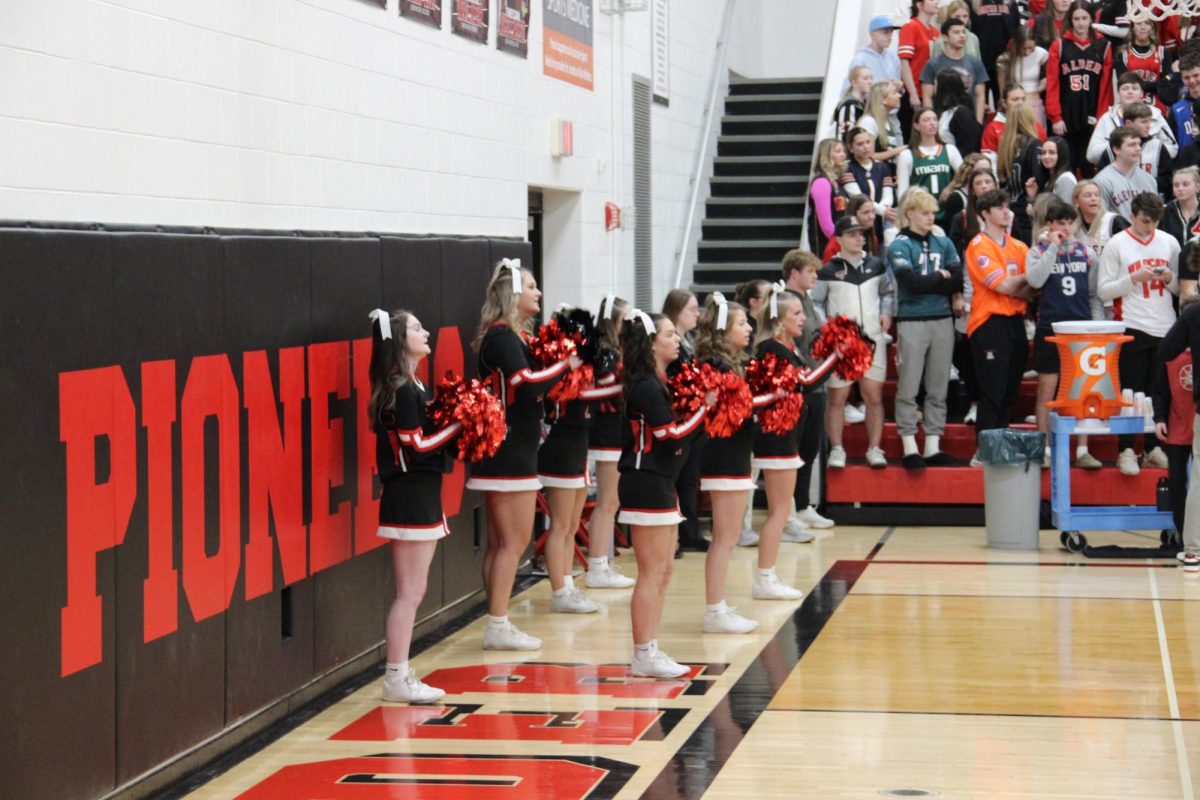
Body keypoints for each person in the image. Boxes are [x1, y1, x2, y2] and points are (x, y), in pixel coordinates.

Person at [468, 261, 580, 650]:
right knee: (512, 543)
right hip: (509, 452)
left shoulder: (509, 337)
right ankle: (497, 625)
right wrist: (566, 365)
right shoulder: (501, 338)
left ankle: (497, 621)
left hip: (510, 448)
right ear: (513, 295)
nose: (539, 293)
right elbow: (525, 385)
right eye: (531, 287)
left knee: (503, 544)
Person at [368, 309, 461, 704]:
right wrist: (460, 424)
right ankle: (396, 677)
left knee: (414, 591)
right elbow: (416, 445)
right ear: (399, 340)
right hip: (409, 497)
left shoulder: (414, 386)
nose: (426, 333)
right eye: (417, 328)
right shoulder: (402, 389)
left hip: (421, 495)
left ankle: (400, 672)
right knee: (409, 592)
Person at [618, 311, 712, 676]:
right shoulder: (645, 384)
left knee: (664, 569)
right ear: (652, 341)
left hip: (659, 481)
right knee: (652, 571)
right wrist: (704, 409)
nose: (677, 340)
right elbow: (667, 435)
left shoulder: (656, 380)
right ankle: (643, 653)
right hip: (645, 481)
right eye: (670, 334)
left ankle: (651, 648)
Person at [695, 294, 781, 632]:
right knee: (725, 537)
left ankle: (718, 605)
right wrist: (775, 395)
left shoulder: (729, 361)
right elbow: (737, 407)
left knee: (727, 536)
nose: (749, 328)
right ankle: (714, 611)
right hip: (723, 456)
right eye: (742, 323)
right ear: (722, 329)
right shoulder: (714, 365)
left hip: (734, 456)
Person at [751, 284, 840, 592]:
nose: (803, 319)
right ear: (779, 318)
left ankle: (768, 575)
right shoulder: (772, 349)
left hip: (786, 435)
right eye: (797, 313)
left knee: (781, 511)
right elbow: (807, 382)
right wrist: (836, 357)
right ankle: (764, 579)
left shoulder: (786, 347)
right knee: (778, 512)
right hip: (775, 436)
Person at [537, 306, 625, 614]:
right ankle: (560, 590)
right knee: (561, 525)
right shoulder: (559, 367)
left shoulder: (581, 366)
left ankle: (568, 587)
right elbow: (575, 397)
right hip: (561, 446)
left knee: (572, 524)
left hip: (578, 443)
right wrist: (622, 385)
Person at [1098, 191, 1180, 475]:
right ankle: (1126, 449)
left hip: (1165, 325)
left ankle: (1153, 447)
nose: (1149, 228)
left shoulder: (1169, 242)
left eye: (1154, 222)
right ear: (1132, 216)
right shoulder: (1116, 244)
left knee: (1157, 392)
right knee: (1131, 393)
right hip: (1130, 324)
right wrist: (1133, 278)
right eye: (1144, 221)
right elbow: (1103, 290)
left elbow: (1182, 289)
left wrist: (1170, 279)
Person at [1024, 197, 1105, 468]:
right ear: (1049, 224)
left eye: (1070, 222)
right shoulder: (1037, 251)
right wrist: (1052, 247)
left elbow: (1094, 295)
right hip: (1050, 328)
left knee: (1082, 390)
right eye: (1060, 223)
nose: (1066, 228)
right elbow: (1035, 280)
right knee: (1046, 389)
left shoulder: (1087, 253)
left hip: (1081, 329)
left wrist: (1096, 329)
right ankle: (1044, 448)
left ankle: (1082, 449)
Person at [888, 188, 965, 470]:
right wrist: (939, 276)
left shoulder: (943, 242)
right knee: (908, 385)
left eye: (933, 212)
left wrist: (938, 280)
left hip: (942, 319)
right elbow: (910, 283)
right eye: (925, 212)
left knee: (938, 385)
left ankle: (933, 445)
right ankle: (909, 446)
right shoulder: (899, 244)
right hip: (911, 320)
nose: (932, 217)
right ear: (910, 214)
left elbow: (957, 279)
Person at [814, 217, 896, 469]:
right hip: (842, 345)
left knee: (873, 395)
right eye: (852, 234)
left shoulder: (876, 265)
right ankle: (837, 449)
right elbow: (816, 302)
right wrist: (828, 329)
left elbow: (887, 293)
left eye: (861, 233)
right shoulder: (827, 270)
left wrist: (886, 312)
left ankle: (874, 448)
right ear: (838, 238)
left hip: (873, 340)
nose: (859, 238)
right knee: (838, 396)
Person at [965, 189, 1031, 450]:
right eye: (999, 208)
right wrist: (1022, 284)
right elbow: (1002, 285)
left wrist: (1020, 285)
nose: (1006, 212)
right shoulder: (979, 246)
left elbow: (1033, 287)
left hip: (1015, 321)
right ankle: (984, 450)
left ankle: (1001, 447)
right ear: (985, 213)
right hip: (988, 322)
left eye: (1007, 207)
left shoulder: (1019, 246)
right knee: (993, 390)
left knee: (1009, 391)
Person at [782, 250, 838, 534]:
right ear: (794, 272)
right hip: (801, 383)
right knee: (796, 449)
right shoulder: (786, 302)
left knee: (810, 448)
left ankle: (802, 505)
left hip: (818, 382)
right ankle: (789, 507)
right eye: (810, 271)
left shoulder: (809, 301)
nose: (816, 276)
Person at [585, 294, 637, 589]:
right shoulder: (605, 352)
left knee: (610, 501)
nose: (630, 323)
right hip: (606, 431)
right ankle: (597, 566)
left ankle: (601, 563)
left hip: (614, 429)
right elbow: (604, 387)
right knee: (607, 501)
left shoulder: (616, 351)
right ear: (613, 322)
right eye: (625, 318)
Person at [662, 288, 709, 555]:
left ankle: (691, 531)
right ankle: (677, 534)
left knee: (690, 478)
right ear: (677, 310)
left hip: (694, 417)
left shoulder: (689, 340)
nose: (697, 313)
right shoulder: (672, 343)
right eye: (692, 309)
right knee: (678, 478)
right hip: (679, 419)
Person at [1045, 1, 1115, 175]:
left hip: (1090, 114)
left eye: (1084, 18)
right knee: (1065, 168)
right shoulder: (1060, 45)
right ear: (1070, 19)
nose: (1081, 23)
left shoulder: (1103, 46)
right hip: (1066, 115)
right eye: (1076, 18)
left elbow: (1106, 87)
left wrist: (1101, 117)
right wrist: (1055, 117)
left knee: (1089, 168)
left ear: (1091, 19)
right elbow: (1052, 83)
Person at [1152, 293, 1200, 543]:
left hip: (1196, 420)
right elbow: (1159, 389)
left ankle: (1193, 541)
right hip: (1179, 425)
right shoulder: (1171, 357)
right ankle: (1182, 532)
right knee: (1179, 483)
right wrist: (1159, 417)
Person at [1088, 71, 1178, 167]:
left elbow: (1173, 148)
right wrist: (1119, 148)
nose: (1130, 91)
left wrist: (1147, 152)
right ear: (1118, 92)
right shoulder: (1107, 118)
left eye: (1135, 88)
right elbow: (1091, 155)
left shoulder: (1155, 115)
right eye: (1125, 88)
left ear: (1141, 93)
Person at [921, 17, 990, 122]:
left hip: (968, 119)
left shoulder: (975, 63)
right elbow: (927, 97)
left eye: (963, 32)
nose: (962, 35)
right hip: (941, 119)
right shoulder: (933, 64)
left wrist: (978, 123)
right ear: (945, 37)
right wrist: (932, 121)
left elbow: (980, 95)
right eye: (956, 32)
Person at [997, 102, 1044, 243]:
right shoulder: (1034, 144)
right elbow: (1039, 178)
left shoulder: (1005, 146)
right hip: (1026, 209)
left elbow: (1002, 180)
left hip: (1009, 207)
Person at [896, 107, 965, 202]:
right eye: (926, 120)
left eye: (935, 119)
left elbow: (964, 177)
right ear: (916, 126)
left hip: (946, 208)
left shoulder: (950, 149)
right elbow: (902, 192)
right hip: (920, 210)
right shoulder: (906, 155)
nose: (932, 123)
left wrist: (950, 188)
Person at [1095, 125, 1159, 220]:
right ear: (1116, 150)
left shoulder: (1149, 179)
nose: (1138, 148)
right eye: (1132, 145)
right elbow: (1099, 220)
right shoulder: (1101, 181)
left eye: (1139, 144)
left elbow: (1155, 215)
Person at [844, 126, 897, 240]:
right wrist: (882, 211)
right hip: (858, 223)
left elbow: (888, 195)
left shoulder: (883, 167)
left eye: (868, 142)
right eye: (860, 144)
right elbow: (857, 197)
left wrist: (883, 210)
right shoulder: (847, 168)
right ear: (850, 148)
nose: (866, 147)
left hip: (880, 221)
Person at [899, 0, 943, 134]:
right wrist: (912, 93)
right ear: (919, 5)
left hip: (930, 93)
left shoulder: (935, 32)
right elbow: (905, 62)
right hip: (915, 91)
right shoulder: (911, 27)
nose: (937, 2)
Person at [1115, 18, 1173, 114]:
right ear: (1133, 27)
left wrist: (1138, 85)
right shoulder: (1123, 54)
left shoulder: (1163, 52)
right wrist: (1153, 86)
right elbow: (1123, 84)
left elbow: (1166, 87)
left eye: (1147, 23)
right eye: (1138, 23)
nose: (1143, 27)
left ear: (1153, 27)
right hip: (1130, 108)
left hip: (1157, 108)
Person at [806, 138, 852, 257]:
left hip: (838, 242)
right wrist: (841, 243)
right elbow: (826, 223)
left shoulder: (836, 182)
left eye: (843, 151)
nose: (843, 155)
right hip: (826, 245)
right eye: (838, 151)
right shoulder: (821, 182)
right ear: (826, 155)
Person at [981, 84, 1048, 167]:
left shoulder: (1035, 126)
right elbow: (989, 162)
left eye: (1023, 99)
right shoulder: (993, 128)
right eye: (1015, 99)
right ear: (1004, 103)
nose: (1020, 103)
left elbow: (1045, 154)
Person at [997, 25, 1050, 125]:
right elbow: (1002, 90)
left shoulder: (1041, 54)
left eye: (1031, 48)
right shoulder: (1005, 60)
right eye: (1023, 48)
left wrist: (1040, 87)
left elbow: (1052, 75)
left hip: (1035, 104)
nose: (1027, 52)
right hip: (1014, 108)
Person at [844, 14, 903, 92]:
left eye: (891, 33)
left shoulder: (893, 58)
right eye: (885, 32)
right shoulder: (860, 60)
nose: (889, 37)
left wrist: (899, 87)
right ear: (872, 34)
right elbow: (850, 89)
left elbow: (897, 88)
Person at [932, 69, 985, 155]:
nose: (933, 86)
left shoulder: (961, 114)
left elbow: (969, 147)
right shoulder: (940, 111)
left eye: (935, 83)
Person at [858, 81, 908, 162]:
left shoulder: (889, 122)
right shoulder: (869, 122)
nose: (899, 96)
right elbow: (868, 156)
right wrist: (898, 151)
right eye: (894, 93)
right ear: (884, 100)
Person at [1160, 165, 1200, 249]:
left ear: (1197, 187)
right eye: (1176, 185)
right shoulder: (1164, 212)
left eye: (1185, 184)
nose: (1180, 188)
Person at [835, 66, 875, 139]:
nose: (870, 82)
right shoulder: (849, 105)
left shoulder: (866, 104)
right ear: (854, 82)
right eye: (865, 78)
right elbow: (844, 135)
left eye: (871, 78)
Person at [1170, 52, 1200, 148]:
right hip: (1187, 160)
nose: (1191, 81)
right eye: (1186, 77)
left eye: (1196, 75)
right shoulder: (1176, 109)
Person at [1036, 135, 1078, 202]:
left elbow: (1065, 211)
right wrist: (1032, 197)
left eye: (1051, 152)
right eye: (1043, 153)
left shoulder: (1065, 180)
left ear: (1061, 155)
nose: (1046, 156)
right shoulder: (1049, 178)